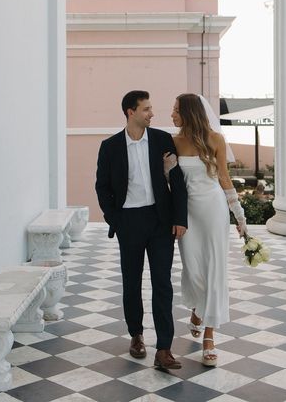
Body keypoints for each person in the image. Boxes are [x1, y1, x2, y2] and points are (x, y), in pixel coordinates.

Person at [95, 90, 188, 370]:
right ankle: (136, 334)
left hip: (160, 222)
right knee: (131, 281)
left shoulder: (162, 140)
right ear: (130, 112)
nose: (152, 113)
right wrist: (115, 220)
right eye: (146, 109)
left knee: (162, 284)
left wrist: (180, 218)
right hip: (129, 223)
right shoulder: (110, 146)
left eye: (151, 108)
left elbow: (177, 180)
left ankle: (164, 349)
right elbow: (102, 187)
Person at [167, 93, 247, 367]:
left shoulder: (216, 139)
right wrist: (167, 171)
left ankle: (209, 336)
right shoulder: (173, 141)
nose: (172, 114)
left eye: (176, 109)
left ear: (188, 112)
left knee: (215, 270)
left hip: (213, 209)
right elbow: (172, 181)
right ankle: (198, 310)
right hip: (186, 212)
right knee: (193, 269)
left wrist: (239, 215)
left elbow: (223, 177)